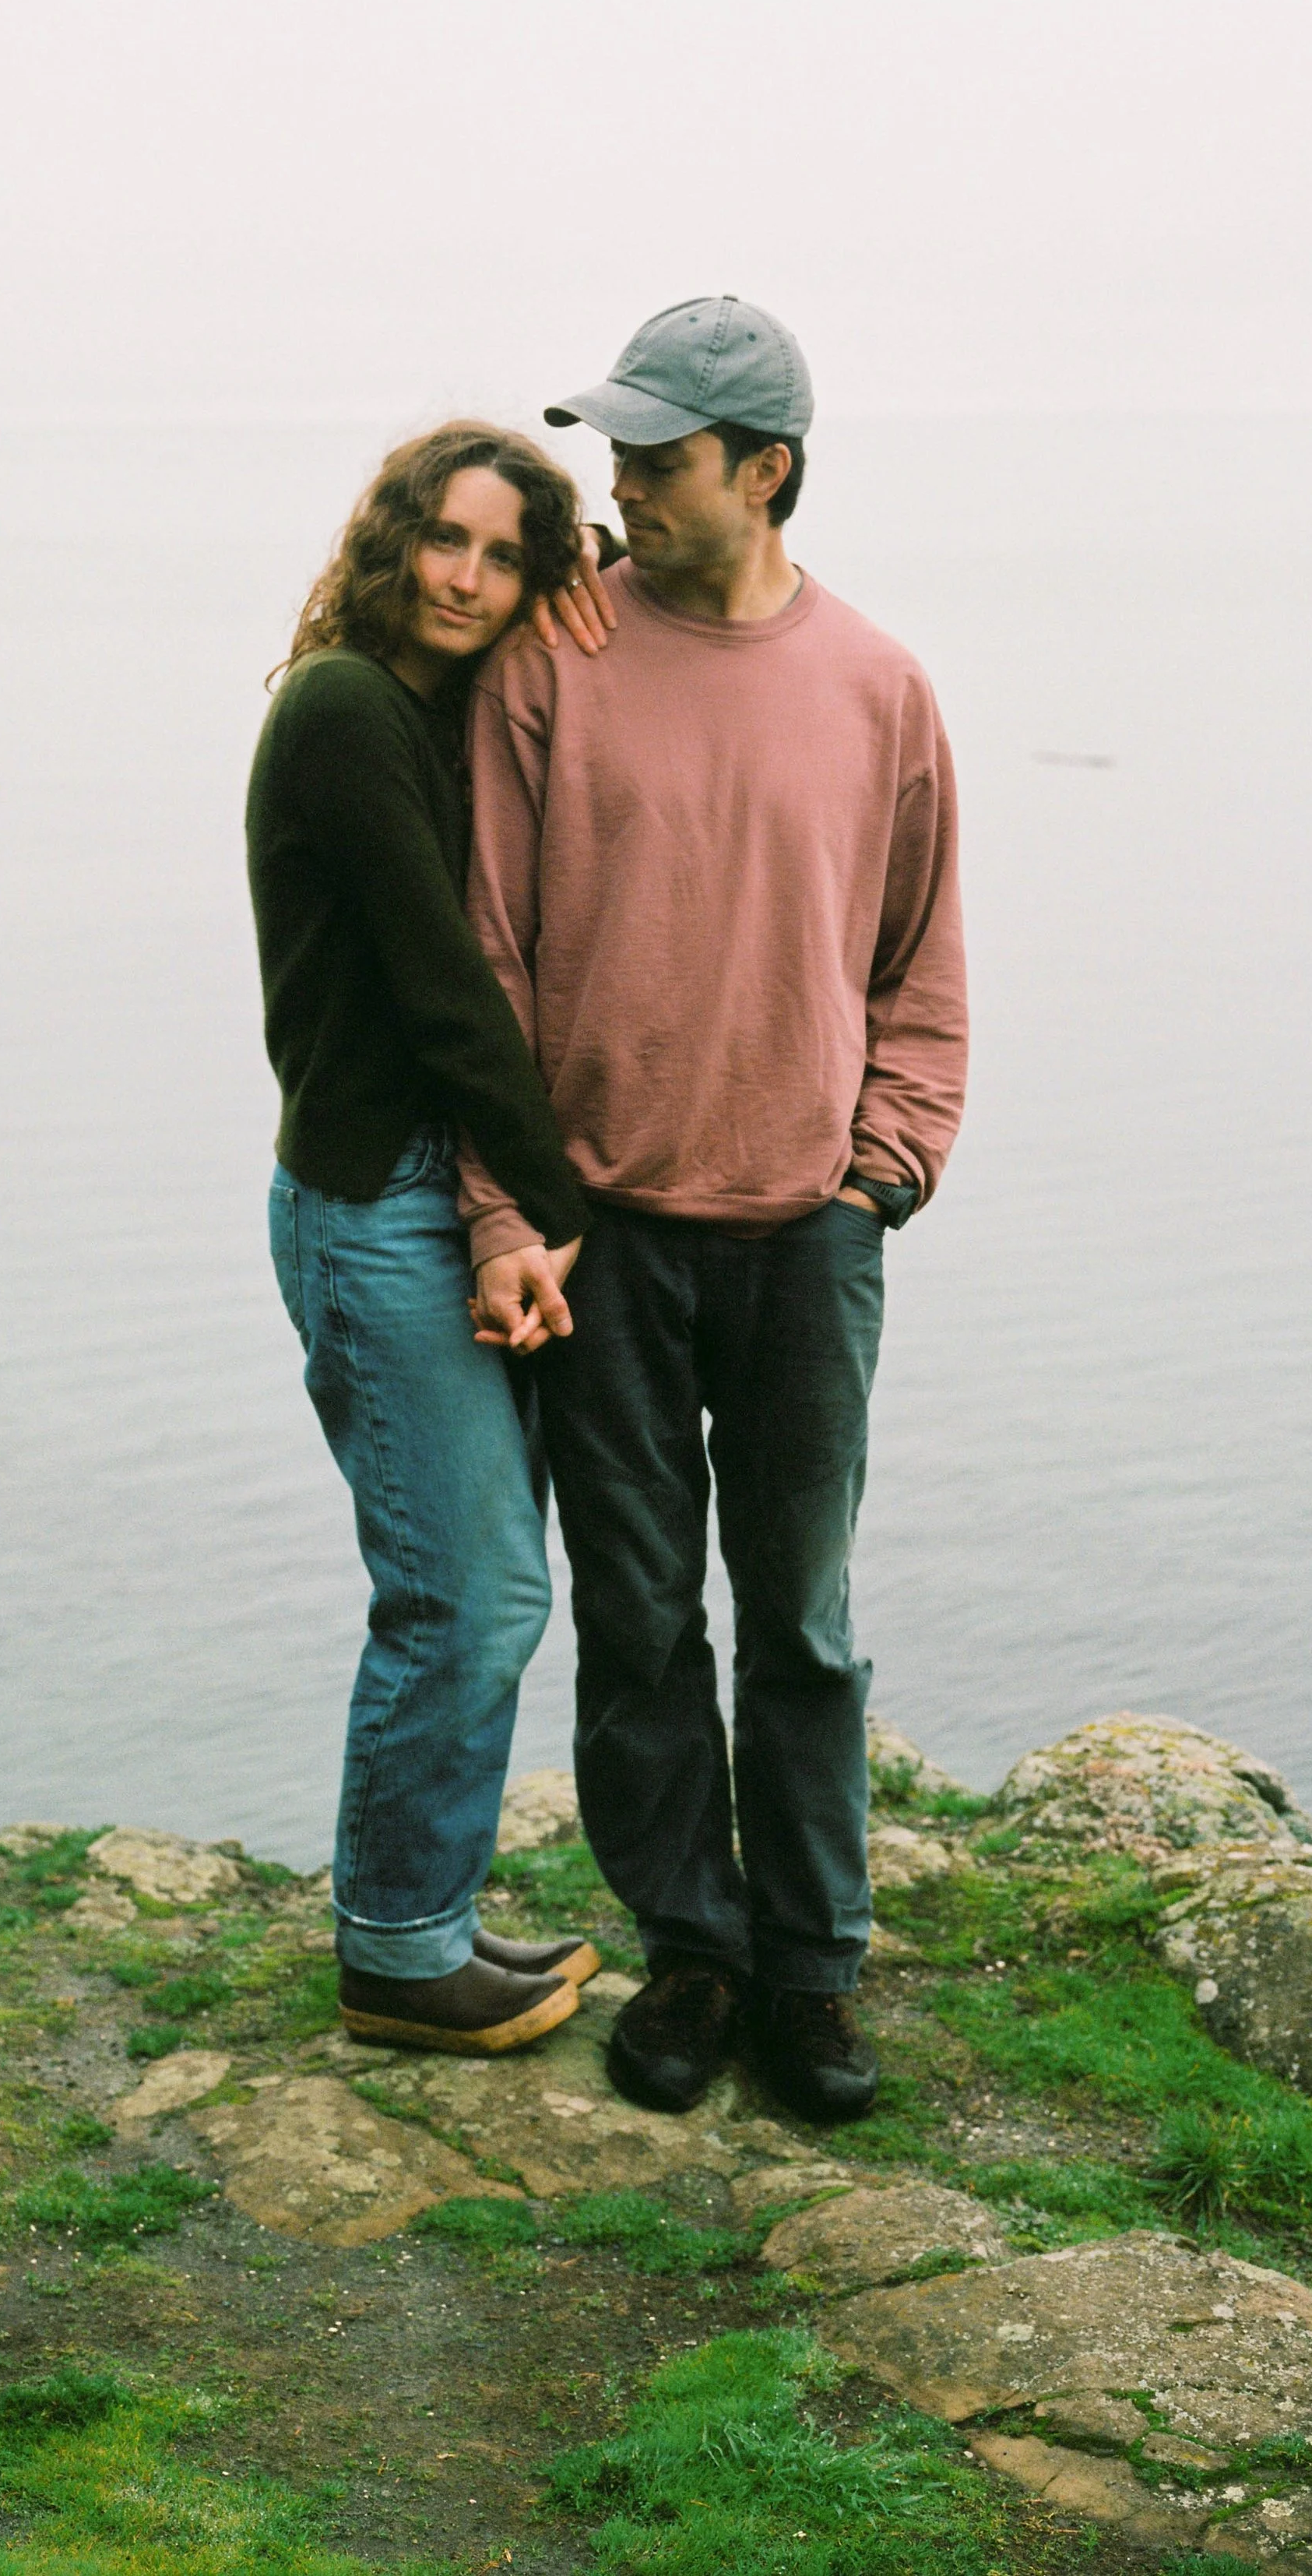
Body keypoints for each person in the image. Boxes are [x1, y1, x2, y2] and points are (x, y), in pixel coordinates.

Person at [460, 300, 969, 2121]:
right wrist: (501, 1209)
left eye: (655, 461)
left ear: (762, 471)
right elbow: (490, 958)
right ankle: (694, 1945)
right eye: (616, 455)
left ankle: (813, 1973)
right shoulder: (552, 662)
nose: (623, 485)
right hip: (602, 1230)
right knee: (639, 1616)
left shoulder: (880, 685)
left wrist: (884, 1164)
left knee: (805, 1622)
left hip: (806, 1232)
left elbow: (919, 959)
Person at [246, 421, 617, 2057]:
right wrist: (558, 1205)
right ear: (392, 541)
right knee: (460, 1593)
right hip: (376, 1202)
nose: (466, 578)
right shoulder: (342, 709)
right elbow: (442, 988)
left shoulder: (425, 709)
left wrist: (604, 573)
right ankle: (398, 1953)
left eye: (504, 553)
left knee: (484, 1585)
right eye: (443, 541)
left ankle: (426, 1915)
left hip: (420, 1191)